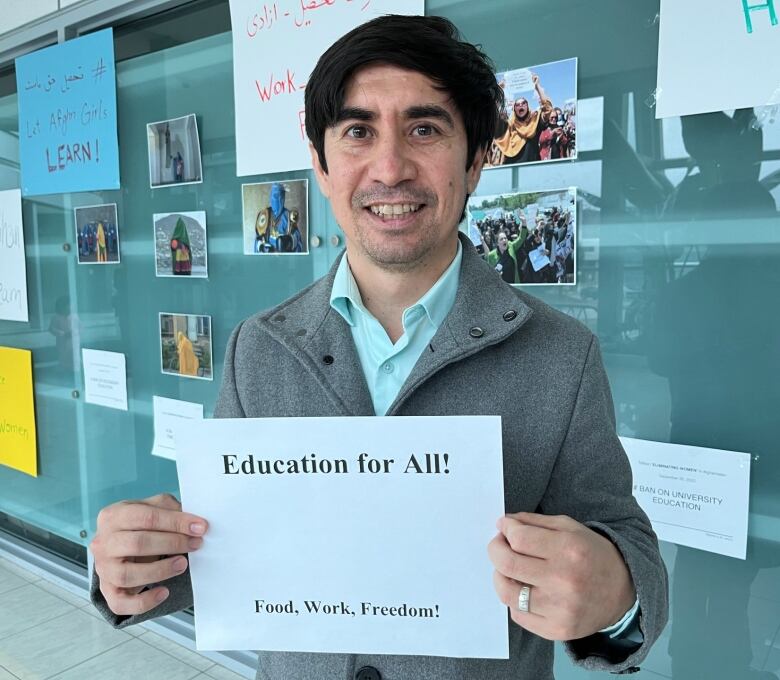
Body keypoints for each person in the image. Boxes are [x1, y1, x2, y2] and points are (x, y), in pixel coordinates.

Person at [89, 15, 667, 680]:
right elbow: (233, 549)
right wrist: (128, 567)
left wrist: (616, 598)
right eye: (358, 131)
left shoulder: (562, 355)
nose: (390, 169)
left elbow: (629, 554)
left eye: (425, 129)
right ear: (321, 161)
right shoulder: (260, 347)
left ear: (477, 159)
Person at [489, 73, 553, 165]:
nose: (521, 106)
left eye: (523, 103)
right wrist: (498, 91)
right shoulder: (509, 126)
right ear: (514, 109)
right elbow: (492, 114)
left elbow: (547, 109)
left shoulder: (534, 122)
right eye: (517, 105)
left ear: (528, 107)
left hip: (533, 168)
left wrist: (537, 86)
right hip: (512, 170)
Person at [254, 182, 303, 253]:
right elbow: (257, 239)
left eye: (278, 196)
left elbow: (298, 239)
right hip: (267, 257)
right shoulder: (264, 215)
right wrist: (261, 247)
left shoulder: (289, 216)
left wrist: (290, 241)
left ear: (283, 198)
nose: (275, 199)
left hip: (284, 257)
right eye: (273, 196)